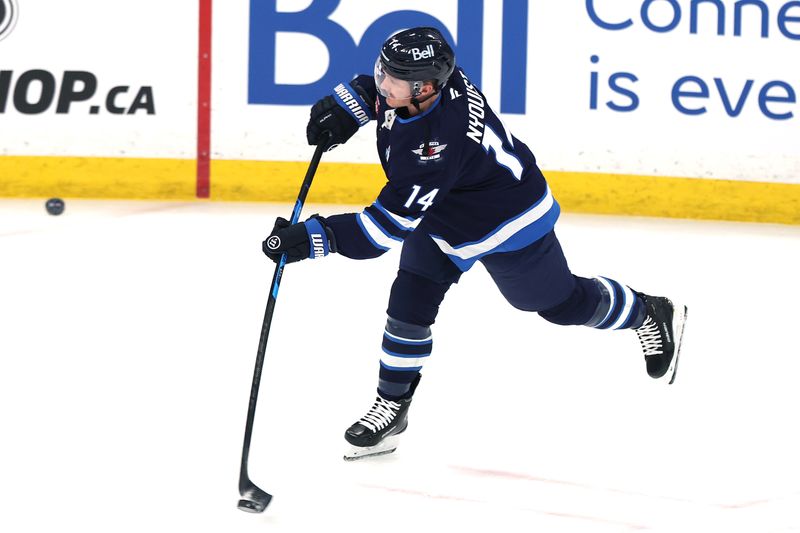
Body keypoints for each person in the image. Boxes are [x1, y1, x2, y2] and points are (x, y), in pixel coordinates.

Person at [262, 27, 688, 461]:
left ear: (425, 88)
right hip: (442, 212)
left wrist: (315, 237)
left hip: (506, 221)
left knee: (560, 304)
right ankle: (394, 405)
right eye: (383, 71)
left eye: (394, 78)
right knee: (408, 302)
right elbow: (378, 90)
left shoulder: (436, 148)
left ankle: (647, 312)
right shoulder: (423, 89)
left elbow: (380, 232)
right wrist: (347, 105)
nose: (382, 82)